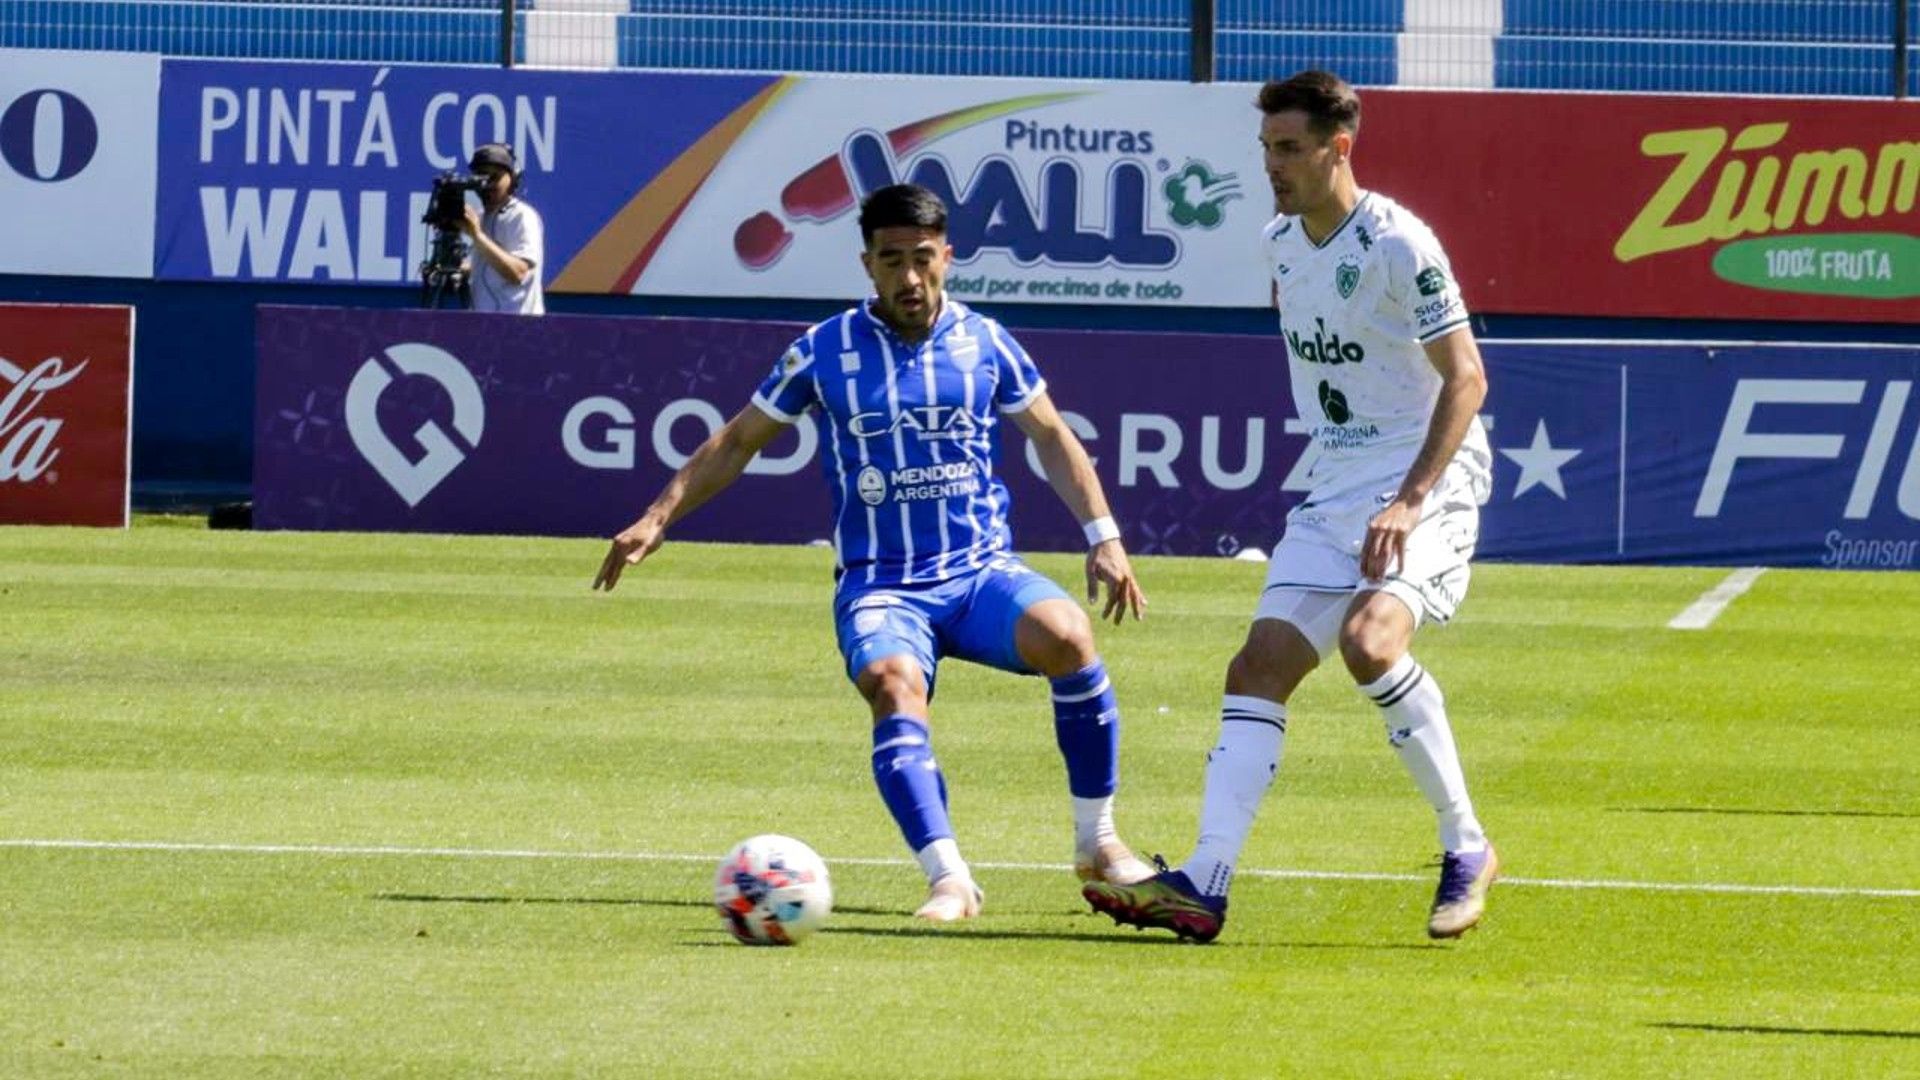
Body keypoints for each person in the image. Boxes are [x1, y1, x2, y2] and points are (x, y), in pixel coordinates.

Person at [593, 183, 1154, 922]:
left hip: (980, 573)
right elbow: (737, 441)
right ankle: (949, 877)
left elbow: (1050, 435)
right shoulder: (822, 351)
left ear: (948, 257)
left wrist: (1104, 537)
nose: (910, 278)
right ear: (868, 264)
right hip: (882, 585)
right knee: (893, 685)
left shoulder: (985, 341)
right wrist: (657, 516)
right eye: (893, 261)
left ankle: (1099, 842)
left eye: (924, 259)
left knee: (1070, 637)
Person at [1083, 70, 1498, 942]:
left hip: (1427, 475)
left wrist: (1411, 500)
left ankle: (1467, 846)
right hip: (1339, 479)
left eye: (1287, 148)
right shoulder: (1280, 240)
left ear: (1336, 148)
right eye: (1265, 147)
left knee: (1368, 642)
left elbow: (1467, 378)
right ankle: (1204, 881)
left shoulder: (1399, 243)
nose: (1270, 164)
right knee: (1258, 668)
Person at [461, 143, 545, 315]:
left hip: (519, 328)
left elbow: (519, 272)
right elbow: (489, 269)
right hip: (483, 327)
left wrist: (476, 235)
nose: (488, 184)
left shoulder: (522, 215)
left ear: (512, 178)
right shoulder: (481, 217)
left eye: (495, 177)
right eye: (482, 178)